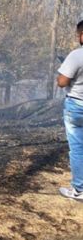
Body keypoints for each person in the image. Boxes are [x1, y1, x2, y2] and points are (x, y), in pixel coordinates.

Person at [56, 15, 83, 201]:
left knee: (78, 148)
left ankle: (79, 190)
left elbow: (62, 82)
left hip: (77, 107)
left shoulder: (76, 55)